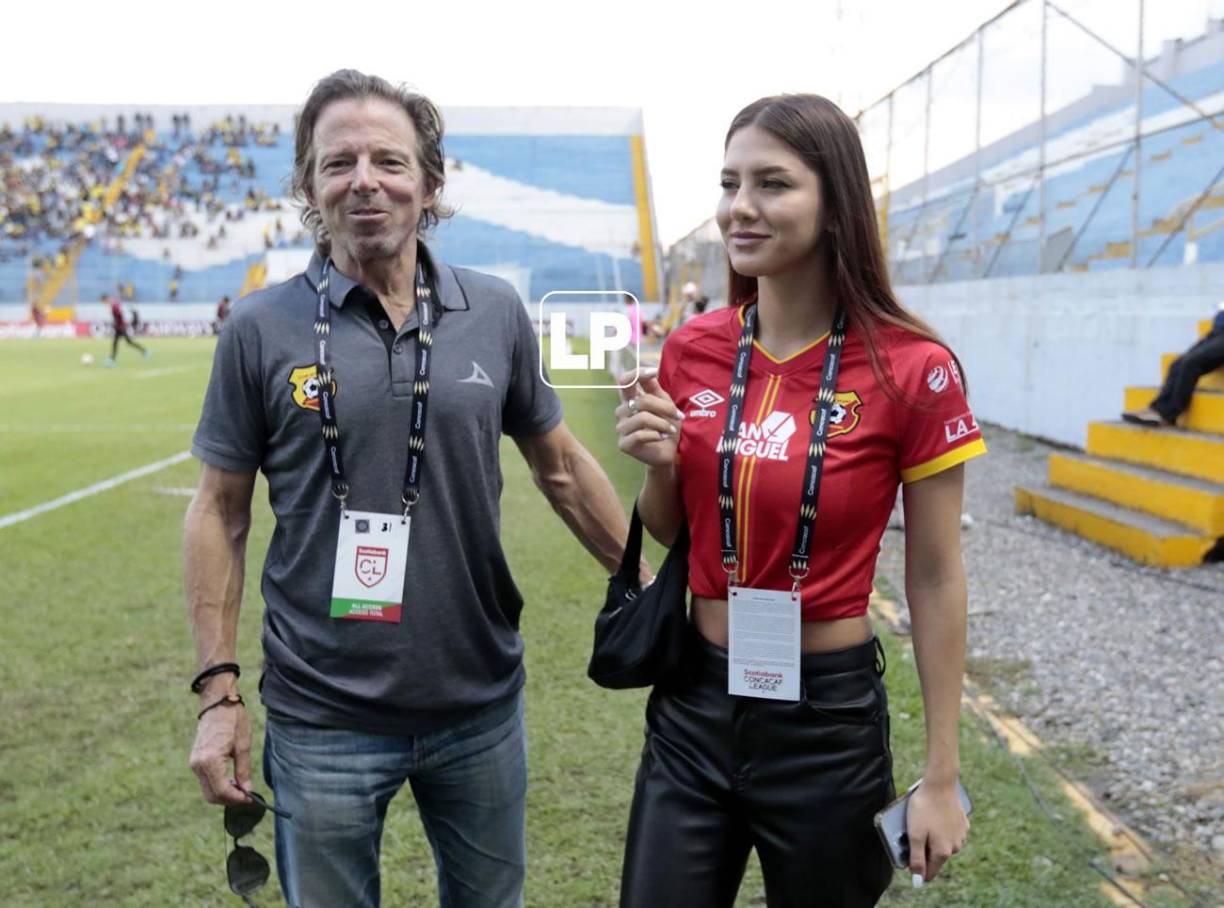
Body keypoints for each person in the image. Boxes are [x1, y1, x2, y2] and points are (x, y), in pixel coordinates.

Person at [184, 69, 638, 908]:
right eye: (338, 162)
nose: (365, 180)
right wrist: (218, 692)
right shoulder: (258, 327)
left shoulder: (494, 311)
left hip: (479, 705)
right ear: (308, 187)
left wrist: (648, 583)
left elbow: (564, 468)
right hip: (320, 715)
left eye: (389, 161)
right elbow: (219, 509)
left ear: (429, 183)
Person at [613, 94, 985, 907]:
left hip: (827, 724)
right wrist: (659, 464)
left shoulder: (913, 367)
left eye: (772, 184)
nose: (739, 208)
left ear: (835, 204)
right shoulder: (692, 349)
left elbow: (935, 576)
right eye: (728, 182)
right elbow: (671, 529)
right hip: (694, 706)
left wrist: (942, 774)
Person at [1122, 301, 1224, 427]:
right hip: (1217, 331)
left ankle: (1166, 414)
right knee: (1177, 364)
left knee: (1190, 363)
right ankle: (1158, 412)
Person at [103, 294, 148, 365]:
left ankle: (145, 351)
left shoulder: (114, 305)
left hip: (121, 327)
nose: (105, 302)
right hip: (119, 327)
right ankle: (112, 360)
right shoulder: (113, 305)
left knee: (127, 342)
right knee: (116, 343)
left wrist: (120, 322)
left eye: (104, 301)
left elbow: (120, 313)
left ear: (107, 299)